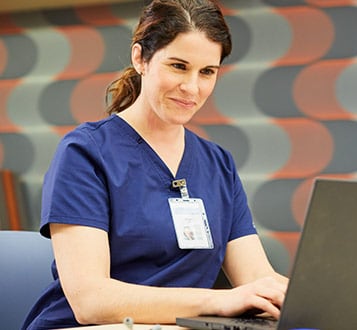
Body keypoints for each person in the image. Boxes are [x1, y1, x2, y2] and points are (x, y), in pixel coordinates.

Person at [22, 0, 288, 328]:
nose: (192, 88)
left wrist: (304, 296)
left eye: (207, 72)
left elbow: (256, 279)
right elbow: (90, 301)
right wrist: (219, 301)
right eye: (178, 66)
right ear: (140, 59)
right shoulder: (84, 153)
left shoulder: (218, 164)